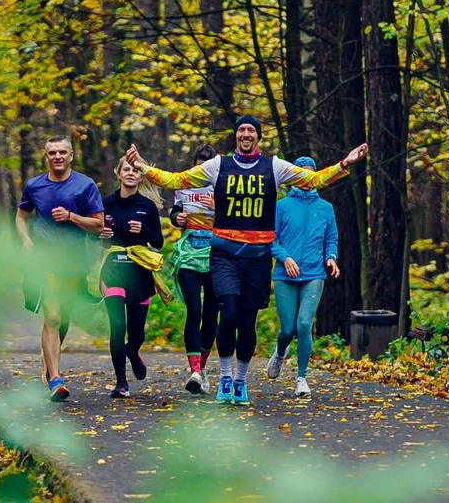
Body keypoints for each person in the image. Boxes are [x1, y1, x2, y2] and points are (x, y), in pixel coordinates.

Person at [126, 116, 366, 406]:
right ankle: (225, 377)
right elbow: (177, 180)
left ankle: (241, 380)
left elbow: (312, 179)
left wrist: (345, 163)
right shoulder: (219, 166)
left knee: (246, 321)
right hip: (225, 253)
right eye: (241, 129)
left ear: (259, 137)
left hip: (258, 257)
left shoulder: (274, 167)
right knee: (227, 314)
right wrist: (143, 167)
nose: (245, 134)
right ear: (236, 137)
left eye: (251, 130)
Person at [15, 135, 105, 401]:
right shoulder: (34, 185)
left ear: (71, 156)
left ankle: (49, 366)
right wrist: (27, 240)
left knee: (63, 317)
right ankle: (55, 379)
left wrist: (71, 217)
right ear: (46, 156)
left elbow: (98, 225)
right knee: (52, 316)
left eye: (62, 152)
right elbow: (21, 217)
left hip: (74, 262)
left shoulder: (85, 185)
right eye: (52, 153)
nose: (57, 157)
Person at [266, 156, 339, 398]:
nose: (306, 180)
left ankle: (301, 377)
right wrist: (285, 258)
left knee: (304, 324)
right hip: (285, 275)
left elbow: (331, 239)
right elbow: (269, 239)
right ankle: (279, 351)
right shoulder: (281, 206)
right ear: (293, 177)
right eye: (301, 175)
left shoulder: (326, 208)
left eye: (310, 175)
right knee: (288, 329)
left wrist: (331, 257)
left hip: (314, 273)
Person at [97, 154, 165, 398]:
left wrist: (144, 229)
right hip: (113, 268)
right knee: (117, 326)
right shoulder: (105, 203)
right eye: (126, 169)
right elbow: (95, 240)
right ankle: (121, 383)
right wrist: (101, 236)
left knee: (136, 333)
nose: (130, 174)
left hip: (139, 272)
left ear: (140, 175)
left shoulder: (147, 206)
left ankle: (133, 351)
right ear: (118, 172)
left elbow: (158, 241)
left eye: (135, 171)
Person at [169, 143, 219, 395]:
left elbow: (237, 219)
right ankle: (195, 370)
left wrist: (219, 206)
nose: (201, 169)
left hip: (216, 256)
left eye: (206, 165)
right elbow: (175, 212)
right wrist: (175, 217)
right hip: (189, 254)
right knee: (195, 310)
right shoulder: (184, 184)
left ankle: (203, 369)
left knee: (211, 313)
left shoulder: (222, 186)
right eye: (198, 163)